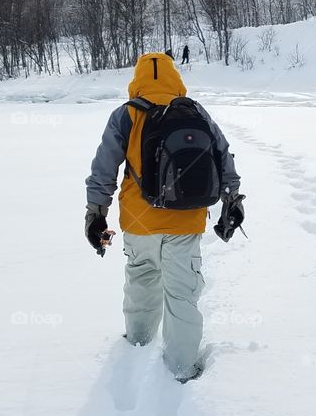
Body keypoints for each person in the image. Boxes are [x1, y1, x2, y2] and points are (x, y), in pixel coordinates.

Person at [84, 51, 243, 380]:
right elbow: (223, 156)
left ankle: (138, 346)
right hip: (187, 220)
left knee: (141, 279)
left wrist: (96, 214)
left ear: (137, 78)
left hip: (138, 221)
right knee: (182, 292)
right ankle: (182, 368)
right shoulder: (195, 111)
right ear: (175, 77)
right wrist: (232, 200)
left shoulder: (126, 114)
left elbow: (104, 169)